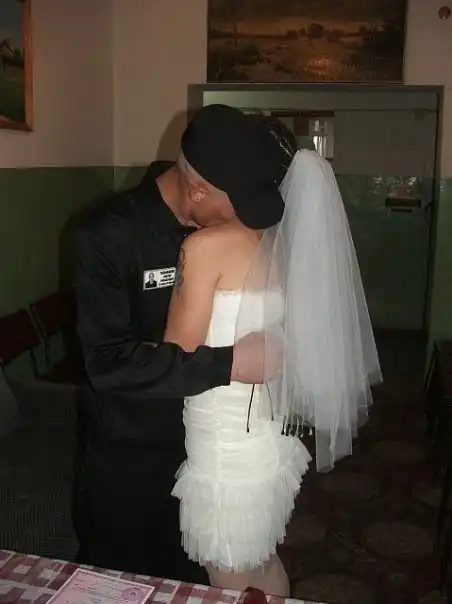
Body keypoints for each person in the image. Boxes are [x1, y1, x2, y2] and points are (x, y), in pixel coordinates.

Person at [73, 104, 292, 582]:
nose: (243, 222)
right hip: (132, 453)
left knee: (196, 582)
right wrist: (230, 364)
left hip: (207, 451)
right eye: (237, 208)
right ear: (197, 190)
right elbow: (106, 364)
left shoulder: (218, 233)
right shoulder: (107, 233)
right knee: (122, 580)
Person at [164, 149, 382, 594]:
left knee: (229, 574)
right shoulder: (277, 242)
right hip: (266, 429)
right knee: (262, 561)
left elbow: (175, 355)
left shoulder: (205, 246)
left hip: (224, 440)